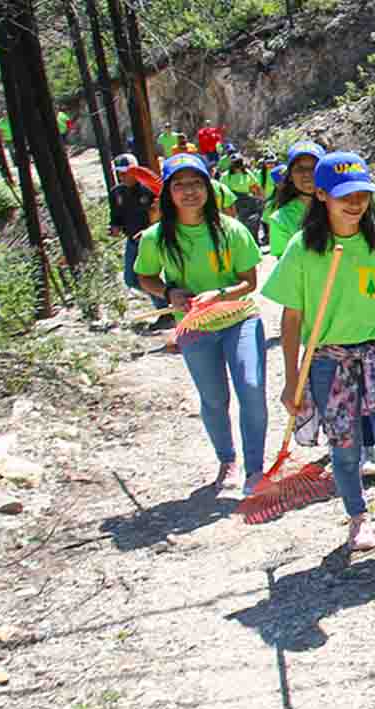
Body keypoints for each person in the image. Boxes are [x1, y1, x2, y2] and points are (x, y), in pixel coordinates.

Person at [264, 151, 375, 585]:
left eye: (362, 193)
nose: (355, 202)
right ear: (321, 195)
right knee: (344, 450)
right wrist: (294, 380)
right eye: (344, 194)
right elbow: (291, 320)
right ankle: (357, 516)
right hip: (328, 363)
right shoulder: (303, 250)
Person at [132, 153, 268, 495]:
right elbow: (144, 276)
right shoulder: (156, 237)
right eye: (179, 184)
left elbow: (249, 281)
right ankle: (227, 461)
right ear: (168, 192)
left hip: (239, 319)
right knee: (213, 398)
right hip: (193, 326)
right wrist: (169, 292)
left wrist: (220, 294)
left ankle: (256, 469)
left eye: (196, 183)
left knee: (251, 389)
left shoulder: (230, 229)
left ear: (209, 188)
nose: (189, 191)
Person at [108, 154, 166, 312]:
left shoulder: (150, 189)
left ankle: (166, 310)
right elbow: (115, 218)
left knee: (150, 276)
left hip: (154, 239)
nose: (121, 176)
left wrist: (150, 230)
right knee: (131, 280)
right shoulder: (116, 193)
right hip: (133, 241)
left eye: (125, 172)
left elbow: (166, 214)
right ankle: (168, 299)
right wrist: (114, 228)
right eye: (118, 172)